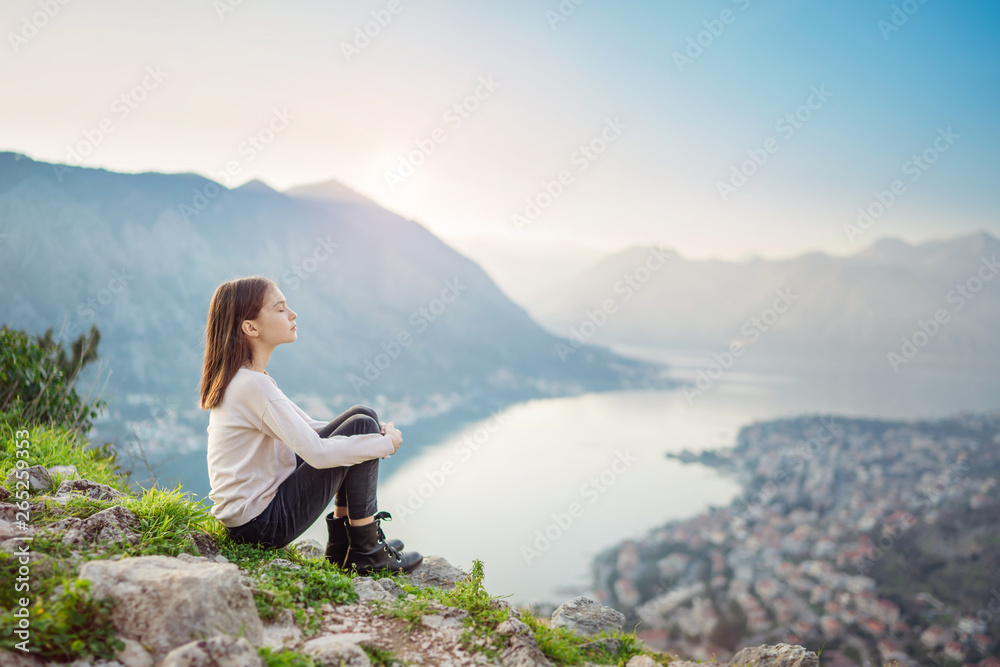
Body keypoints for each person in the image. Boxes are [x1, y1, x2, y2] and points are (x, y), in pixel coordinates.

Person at [198, 275, 421, 573]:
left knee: (362, 417)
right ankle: (367, 552)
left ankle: (346, 547)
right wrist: (385, 444)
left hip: (251, 523)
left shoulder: (248, 379)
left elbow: (310, 429)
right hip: (261, 527)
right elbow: (317, 452)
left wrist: (372, 432)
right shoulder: (251, 385)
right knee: (361, 427)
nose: (293, 314)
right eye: (280, 309)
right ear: (250, 327)